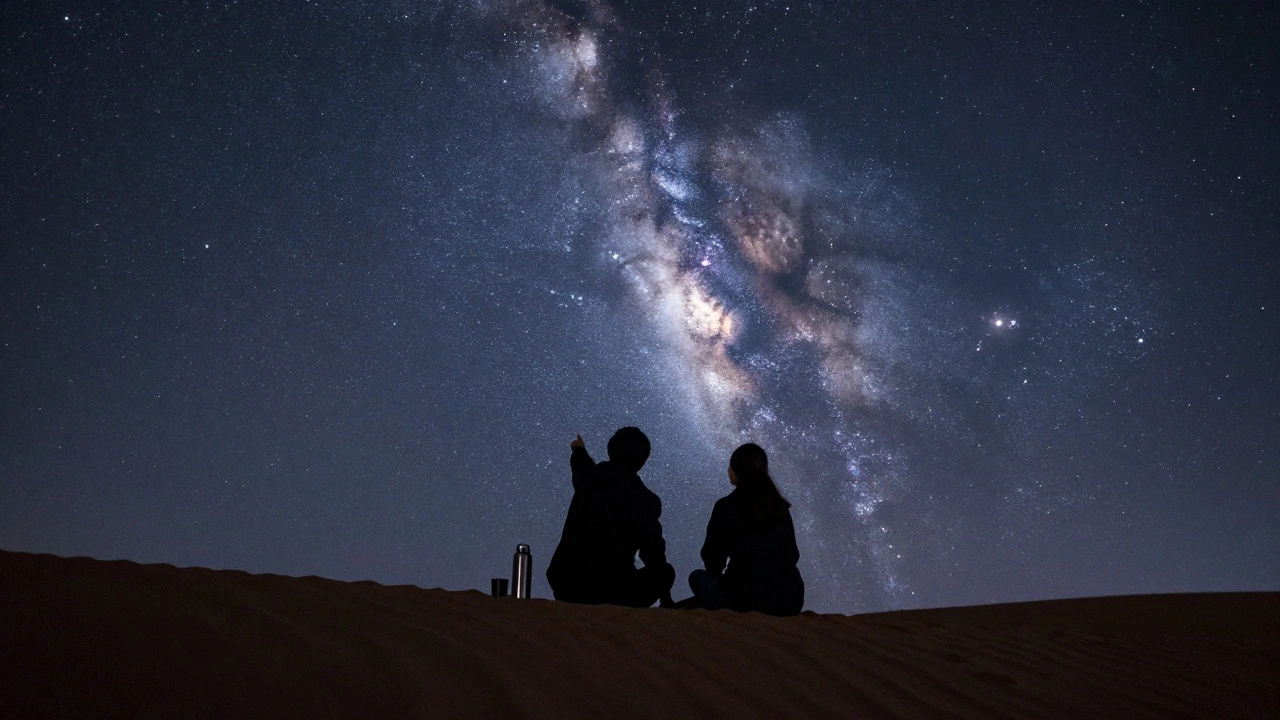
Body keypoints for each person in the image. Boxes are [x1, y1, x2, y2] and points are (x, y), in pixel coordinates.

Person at [546, 428, 676, 608]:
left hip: (567, 583)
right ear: (642, 460)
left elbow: (581, 465)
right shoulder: (646, 500)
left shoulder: (590, 477)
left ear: (610, 450)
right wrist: (666, 598)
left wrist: (578, 449)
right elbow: (653, 552)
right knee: (665, 572)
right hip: (615, 589)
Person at [688, 443, 804, 616]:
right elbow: (793, 555)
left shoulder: (726, 506)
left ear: (736, 470)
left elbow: (713, 561)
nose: (728, 470)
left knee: (698, 578)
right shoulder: (780, 507)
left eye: (730, 465)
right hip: (790, 600)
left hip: (746, 599)